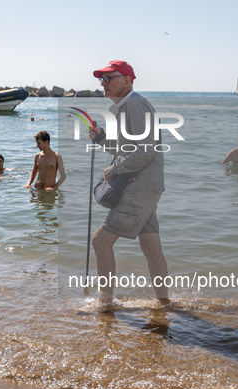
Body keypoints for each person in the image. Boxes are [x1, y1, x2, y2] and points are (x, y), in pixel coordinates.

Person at [88, 60, 169, 307]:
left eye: (109, 78)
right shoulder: (127, 106)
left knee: (100, 241)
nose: (104, 83)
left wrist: (115, 169)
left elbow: (145, 151)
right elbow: (128, 148)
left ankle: (105, 303)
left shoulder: (134, 104)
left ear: (128, 80)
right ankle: (163, 303)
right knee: (150, 245)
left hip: (140, 185)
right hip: (146, 185)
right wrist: (102, 138)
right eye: (102, 79)